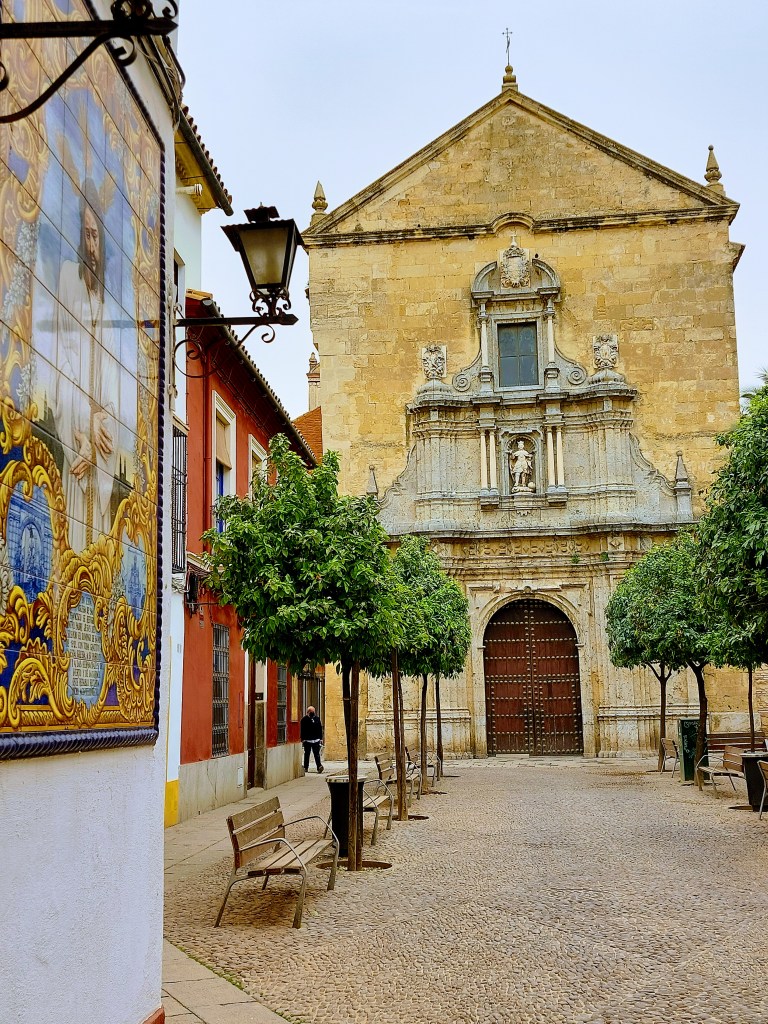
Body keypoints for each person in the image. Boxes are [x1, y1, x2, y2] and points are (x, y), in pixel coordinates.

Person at [55, 178, 119, 551]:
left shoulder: (107, 312)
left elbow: (111, 397)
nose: (91, 247)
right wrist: (84, 422)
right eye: (86, 235)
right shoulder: (68, 277)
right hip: (76, 439)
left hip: (93, 451)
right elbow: (61, 363)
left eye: (96, 237)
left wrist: (99, 430)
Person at [300, 705, 324, 773]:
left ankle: (319, 766)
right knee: (307, 754)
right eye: (312, 712)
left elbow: (320, 729)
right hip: (307, 740)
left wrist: (320, 738)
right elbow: (302, 729)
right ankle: (306, 767)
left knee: (317, 754)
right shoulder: (304, 720)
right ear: (308, 712)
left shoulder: (317, 719)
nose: (313, 713)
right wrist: (302, 739)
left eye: (313, 711)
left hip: (316, 740)